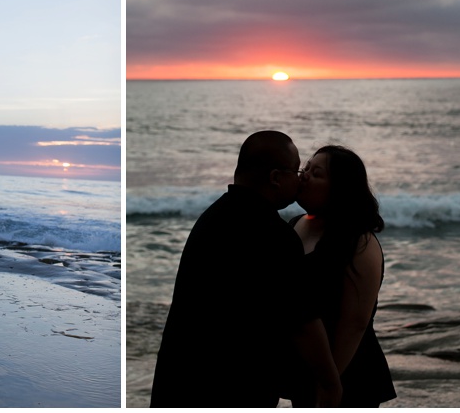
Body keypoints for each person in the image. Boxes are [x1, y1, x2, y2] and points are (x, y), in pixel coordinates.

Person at [149, 130, 342, 407]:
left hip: (179, 382)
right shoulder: (273, 234)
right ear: (276, 178)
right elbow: (301, 321)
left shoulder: (212, 217)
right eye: (296, 170)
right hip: (230, 390)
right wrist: (330, 383)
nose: (300, 178)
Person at [283, 145, 397, 407]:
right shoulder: (294, 225)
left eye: (317, 173)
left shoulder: (360, 242)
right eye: (306, 168)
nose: (304, 175)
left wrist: (330, 382)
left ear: (339, 188)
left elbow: (355, 322)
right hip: (308, 367)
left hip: (349, 372)